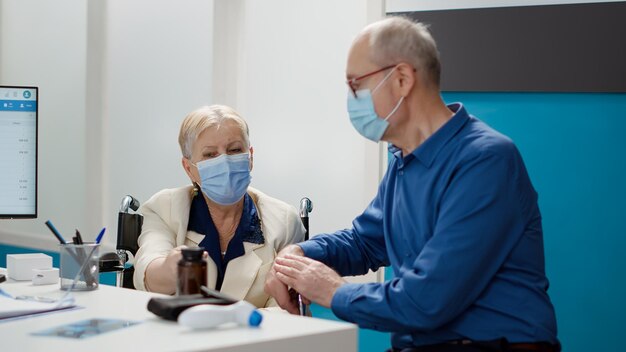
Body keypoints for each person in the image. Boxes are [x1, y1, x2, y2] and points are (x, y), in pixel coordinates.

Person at [265, 17, 560, 351]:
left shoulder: (485, 161)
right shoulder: (405, 161)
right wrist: (300, 254)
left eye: (355, 85)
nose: (351, 99)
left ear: (402, 79)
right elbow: (364, 242)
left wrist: (332, 290)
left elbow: (426, 301)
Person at [134, 105, 305, 308]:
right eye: (210, 155)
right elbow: (147, 275)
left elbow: (285, 311)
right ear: (189, 168)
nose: (224, 162)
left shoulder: (284, 220)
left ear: (250, 157)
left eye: (234, 150)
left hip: (253, 335)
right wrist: (171, 269)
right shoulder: (164, 209)